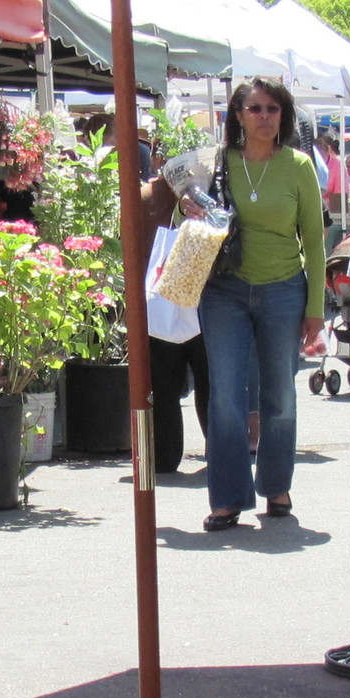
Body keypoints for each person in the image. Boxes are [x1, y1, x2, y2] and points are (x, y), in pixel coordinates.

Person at [198, 77, 326, 530]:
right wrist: (187, 209)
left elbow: (313, 239)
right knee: (226, 397)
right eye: (255, 108)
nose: (265, 116)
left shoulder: (297, 165)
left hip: (283, 288)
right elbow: (186, 215)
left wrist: (316, 308)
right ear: (238, 115)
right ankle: (227, 498)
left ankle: (276, 485)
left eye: (273, 109)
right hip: (224, 289)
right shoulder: (218, 162)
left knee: (280, 395)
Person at [141, 174, 212, 475]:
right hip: (203, 299)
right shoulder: (215, 186)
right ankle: (219, 448)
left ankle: (166, 456)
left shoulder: (144, 194)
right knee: (210, 381)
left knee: (165, 385)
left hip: (161, 301)